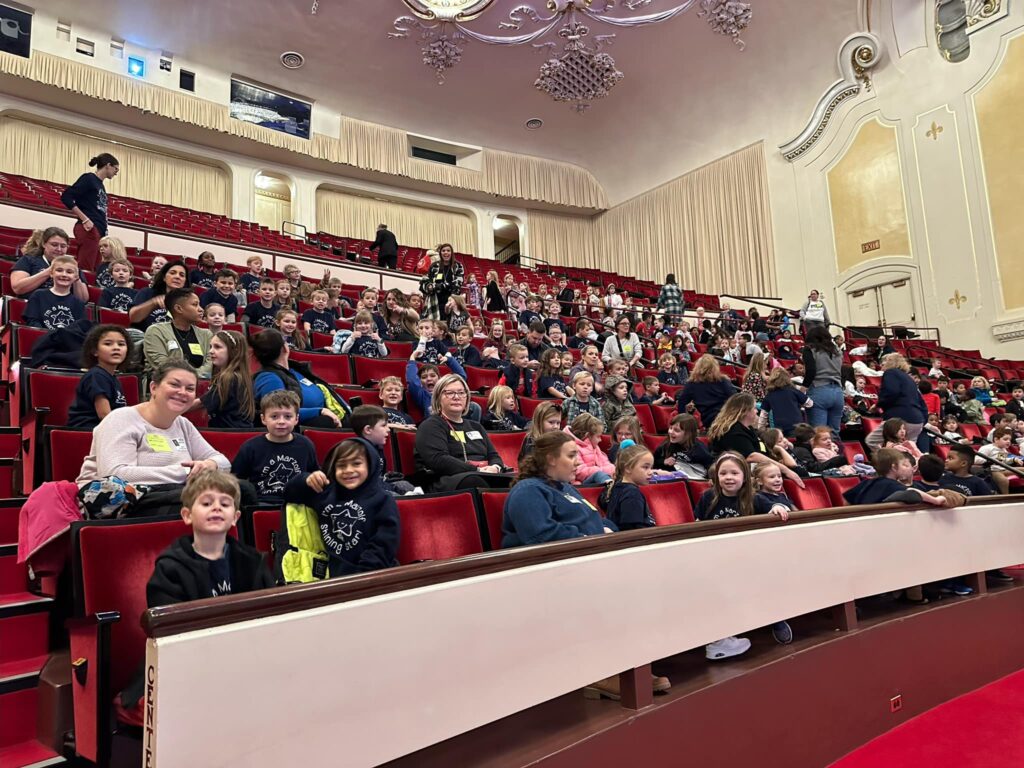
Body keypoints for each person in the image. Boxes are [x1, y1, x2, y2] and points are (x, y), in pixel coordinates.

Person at [117, 468, 273, 717]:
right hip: (186, 667)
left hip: (243, 660)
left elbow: (269, 617)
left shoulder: (253, 562)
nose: (216, 508)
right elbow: (168, 632)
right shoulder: (170, 568)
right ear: (187, 515)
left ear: (236, 517)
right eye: (207, 502)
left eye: (225, 503)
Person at [76, 361, 231, 512]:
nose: (182, 392)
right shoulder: (121, 419)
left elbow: (223, 462)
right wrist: (185, 473)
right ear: (154, 387)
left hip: (171, 493)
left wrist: (210, 465)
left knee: (239, 491)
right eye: (175, 385)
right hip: (122, 501)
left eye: (190, 388)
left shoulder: (183, 424)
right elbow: (116, 475)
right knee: (201, 503)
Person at [693, 452, 791, 659]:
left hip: (748, 557)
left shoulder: (754, 498)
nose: (729, 477)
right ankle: (723, 637)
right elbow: (698, 522)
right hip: (717, 557)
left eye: (734, 473)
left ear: (745, 477)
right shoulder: (708, 497)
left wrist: (778, 507)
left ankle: (775, 618)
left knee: (764, 583)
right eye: (723, 473)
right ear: (716, 477)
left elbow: (776, 506)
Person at [280, 438, 400, 581]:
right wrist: (306, 479)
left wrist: (362, 578)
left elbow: (383, 545)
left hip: (372, 577)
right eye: (341, 466)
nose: (348, 470)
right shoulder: (325, 493)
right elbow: (290, 493)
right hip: (329, 579)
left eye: (356, 463)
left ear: (370, 464)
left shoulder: (383, 500)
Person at [502, 431, 616, 547]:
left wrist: (607, 529)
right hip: (563, 558)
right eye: (571, 456)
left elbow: (594, 518)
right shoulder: (527, 491)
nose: (577, 462)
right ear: (551, 459)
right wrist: (585, 540)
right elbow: (540, 535)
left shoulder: (567, 488)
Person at [413, 373, 510, 491]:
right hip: (446, 479)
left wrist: (495, 467)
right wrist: (477, 470)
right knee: (474, 481)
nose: (456, 397)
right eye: (449, 393)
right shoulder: (431, 425)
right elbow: (438, 460)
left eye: (461, 392)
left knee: (519, 482)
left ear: (467, 398)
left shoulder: (476, 426)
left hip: (483, 475)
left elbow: (493, 455)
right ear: (438, 398)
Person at [231, 391, 319, 504]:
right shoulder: (250, 447)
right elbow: (235, 480)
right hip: (260, 503)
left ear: (296, 419)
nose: (281, 421)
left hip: (297, 505)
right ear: (263, 419)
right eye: (274, 416)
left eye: (288, 416)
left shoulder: (305, 444)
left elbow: (314, 475)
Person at [251, 330, 350, 428]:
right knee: (325, 421)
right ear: (284, 348)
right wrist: (320, 411)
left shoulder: (295, 369)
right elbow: (277, 412)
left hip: (333, 413)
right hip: (307, 426)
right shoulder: (269, 378)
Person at [708, 393, 806, 486]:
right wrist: (785, 469)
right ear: (745, 411)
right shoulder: (732, 430)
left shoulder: (748, 428)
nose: (756, 411)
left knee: (800, 471)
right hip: (741, 471)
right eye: (754, 408)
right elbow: (751, 456)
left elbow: (759, 449)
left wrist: (776, 449)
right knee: (796, 473)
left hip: (759, 468)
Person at [60, 152, 119, 272]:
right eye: (115, 168)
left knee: (94, 269)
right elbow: (66, 197)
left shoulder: (100, 185)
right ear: (108, 165)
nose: (116, 172)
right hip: (89, 229)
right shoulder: (89, 178)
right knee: (85, 267)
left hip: (99, 231)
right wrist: (85, 219)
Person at [67, 324, 132, 429]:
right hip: (87, 432)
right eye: (108, 344)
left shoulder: (114, 378)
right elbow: (105, 416)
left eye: (121, 344)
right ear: (94, 351)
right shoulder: (96, 376)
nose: (116, 348)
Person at [143, 289, 212, 379]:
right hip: (165, 385)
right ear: (178, 308)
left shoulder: (206, 334)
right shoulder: (156, 331)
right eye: (195, 305)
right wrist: (192, 376)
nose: (201, 309)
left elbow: (211, 364)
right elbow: (163, 366)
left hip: (200, 385)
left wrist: (192, 378)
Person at [865, 353, 928, 451]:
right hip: (917, 421)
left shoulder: (891, 373)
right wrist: (923, 420)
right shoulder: (909, 379)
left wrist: (878, 405)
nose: (881, 364)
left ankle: (887, 460)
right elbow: (922, 403)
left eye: (884, 361)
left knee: (871, 441)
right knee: (908, 450)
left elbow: (892, 392)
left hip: (899, 419)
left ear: (891, 362)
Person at [349, 405, 416, 495]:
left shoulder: (378, 447)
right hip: (364, 492)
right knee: (392, 495)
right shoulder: (360, 453)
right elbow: (368, 484)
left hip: (380, 486)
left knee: (405, 486)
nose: (388, 429)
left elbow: (380, 478)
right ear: (368, 430)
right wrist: (393, 490)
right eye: (384, 425)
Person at [11, 227, 88, 302]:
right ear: (44, 244)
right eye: (54, 245)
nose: (59, 249)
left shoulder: (71, 266)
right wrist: (49, 271)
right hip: (33, 306)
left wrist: (76, 280)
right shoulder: (28, 260)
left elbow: (83, 300)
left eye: (63, 246)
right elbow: (18, 288)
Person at [201, 331, 255, 428]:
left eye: (217, 347)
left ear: (234, 350)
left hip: (230, 432)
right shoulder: (238, 375)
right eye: (210, 347)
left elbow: (202, 403)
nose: (211, 351)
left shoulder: (230, 377)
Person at [598, 444, 656, 530]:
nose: (651, 472)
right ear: (628, 468)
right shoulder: (632, 494)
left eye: (651, 467)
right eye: (645, 467)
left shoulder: (616, 487)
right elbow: (632, 531)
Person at [801, 325, 844, 436]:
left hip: (819, 390)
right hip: (838, 392)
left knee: (819, 434)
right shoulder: (837, 351)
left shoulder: (809, 349)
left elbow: (811, 370)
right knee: (834, 434)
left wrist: (802, 389)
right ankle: (838, 453)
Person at [23, 255, 86, 330]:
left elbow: (79, 330)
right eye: (59, 270)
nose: (64, 274)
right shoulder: (38, 295)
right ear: (51, 273)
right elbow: (32, 322)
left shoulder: (78, 303)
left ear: (76, 277)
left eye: (69, 272)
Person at [676, 355, 738, 428]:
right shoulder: (723, 380)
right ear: (715, 367)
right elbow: (735, 398)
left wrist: (683, 422)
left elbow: (681, 402)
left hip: (711, 421)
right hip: (728, 417)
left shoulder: (691, 384)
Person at [131, 260, 190, 331]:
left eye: (182, 275)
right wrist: (153, 303)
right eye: (172, 273)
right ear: (164, 277)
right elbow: (133, 317)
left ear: (185, 281)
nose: (177, 277)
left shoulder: (188, 300)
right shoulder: (147, 292)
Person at [653, 414, 713, 479]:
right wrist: (663, 462)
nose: (671, 432)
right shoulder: (666, 445)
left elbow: (710, 468)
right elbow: (654, 463)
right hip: (670, 479)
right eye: (670, 428)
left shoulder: (700, 449)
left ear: (689, 434)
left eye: (676, 430)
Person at [565, 413, 614, 486]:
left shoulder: (595, 447)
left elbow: (606, 462)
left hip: (599, 479)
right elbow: (580, 472)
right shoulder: (573, 447)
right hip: (581, 484)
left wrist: (611, 469)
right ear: (587, 435)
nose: (600, 440)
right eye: (598, 436)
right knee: (599, 475)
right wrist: (603, 470)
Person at [420, 243, 464, 321]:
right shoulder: (434, 266)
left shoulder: (458, 266)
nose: (446, 252)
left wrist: (443, 287)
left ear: (452, 253)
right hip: (436, 299)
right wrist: (429, 286)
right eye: (443, 251)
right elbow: (426, 280)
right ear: (440, 253)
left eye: (448, 250)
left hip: (451, 299)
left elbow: (458, 283)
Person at [760, 368, 810, 437]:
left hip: (780, 430)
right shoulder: (793, 391)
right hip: (797, 427)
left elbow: (763, 415)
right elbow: (810, 403)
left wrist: (761, 430)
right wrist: (799, 405)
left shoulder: (769, 395)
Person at [977, 427, 1024, 495]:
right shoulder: (987, 448)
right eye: (1005, 439)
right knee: (1004, 480)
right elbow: (976, 459)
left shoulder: (1003, 449)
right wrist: (989, 460)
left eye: (1009, 440)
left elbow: (1001, 461)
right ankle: (1006, 497)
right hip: (993, 470)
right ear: (996, 439)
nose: (1008, 441)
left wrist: (1014, 459)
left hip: (1002, 469)